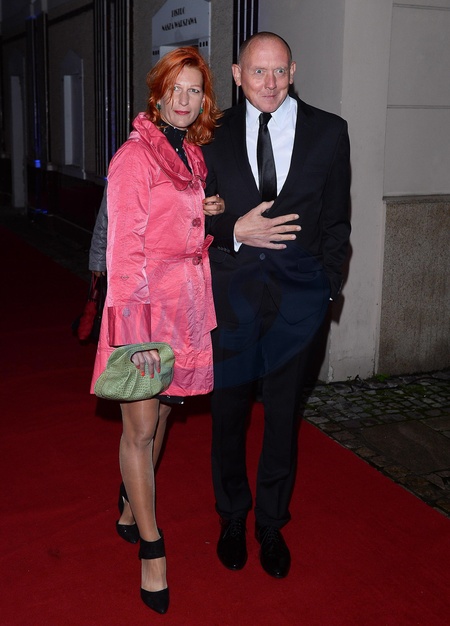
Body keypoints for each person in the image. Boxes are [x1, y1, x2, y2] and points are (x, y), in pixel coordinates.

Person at [202, 32, 351, 579]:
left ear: (294, 71)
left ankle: (271, 521)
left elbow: (337, 222)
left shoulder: (328, 132)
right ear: (237, 74)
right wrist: (231, 231)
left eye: (279, 71)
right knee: (229, 415)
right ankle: (232, 516)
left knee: (284, 418)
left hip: (298, 303)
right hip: (230, 300)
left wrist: (327, 290)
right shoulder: (208, 132)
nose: (269, 83)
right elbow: (187, 217)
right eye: (258, 71)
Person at [90, 47, 223, 614]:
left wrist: (204, 212)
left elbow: (173, 221)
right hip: (144, 310)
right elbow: (123, 253)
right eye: (176, 88)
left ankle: (129, 506)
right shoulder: (133, 156)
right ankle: (152, 548)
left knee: (165, 413)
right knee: (141, 429)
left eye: (194, 89)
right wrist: (135, 335)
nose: (184, 99)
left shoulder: (191, 153)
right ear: (159, 93)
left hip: (186, 307)